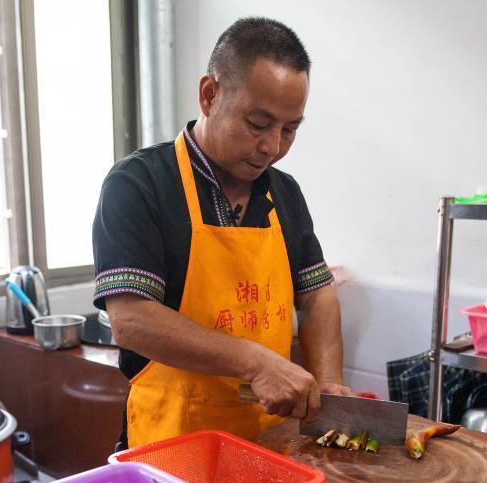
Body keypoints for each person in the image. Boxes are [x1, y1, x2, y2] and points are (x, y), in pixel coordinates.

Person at [92, 16, 351, 450]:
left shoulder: (285, 194)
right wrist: (254, 362)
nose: (272, 146)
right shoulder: (140, 184)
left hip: (270, 443)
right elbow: (131, 319)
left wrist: (328, 382)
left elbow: (316, 294)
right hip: (172, 446)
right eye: (258, 124)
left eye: (289, 129)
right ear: (209, 95)